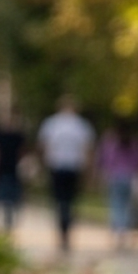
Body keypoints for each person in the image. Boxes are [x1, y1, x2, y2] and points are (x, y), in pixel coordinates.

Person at [38, 96, 95, 251]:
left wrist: (43, 166)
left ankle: (63, 229)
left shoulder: (51, 124)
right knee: (69, 201)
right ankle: (66, 229)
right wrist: (89, 172)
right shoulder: (82, 125)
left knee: (60, 201)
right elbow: (87, 149)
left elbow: (44, 146)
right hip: (74, 167)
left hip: (57, 166)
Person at [96, 114, 138, 250]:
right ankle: (123, 232)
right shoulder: (135, 143)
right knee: (126, 207)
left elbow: (104, 161)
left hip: (114, 178)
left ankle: (118, 233)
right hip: (130, 178)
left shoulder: (111, 143)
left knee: (116, 206)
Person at [0, 111, 26, 232]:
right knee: (4, 193)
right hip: (3, 168)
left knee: (11, 193)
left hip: (13, 168)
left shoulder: (17, 137)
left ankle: (9, 215)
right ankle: (5, 215)